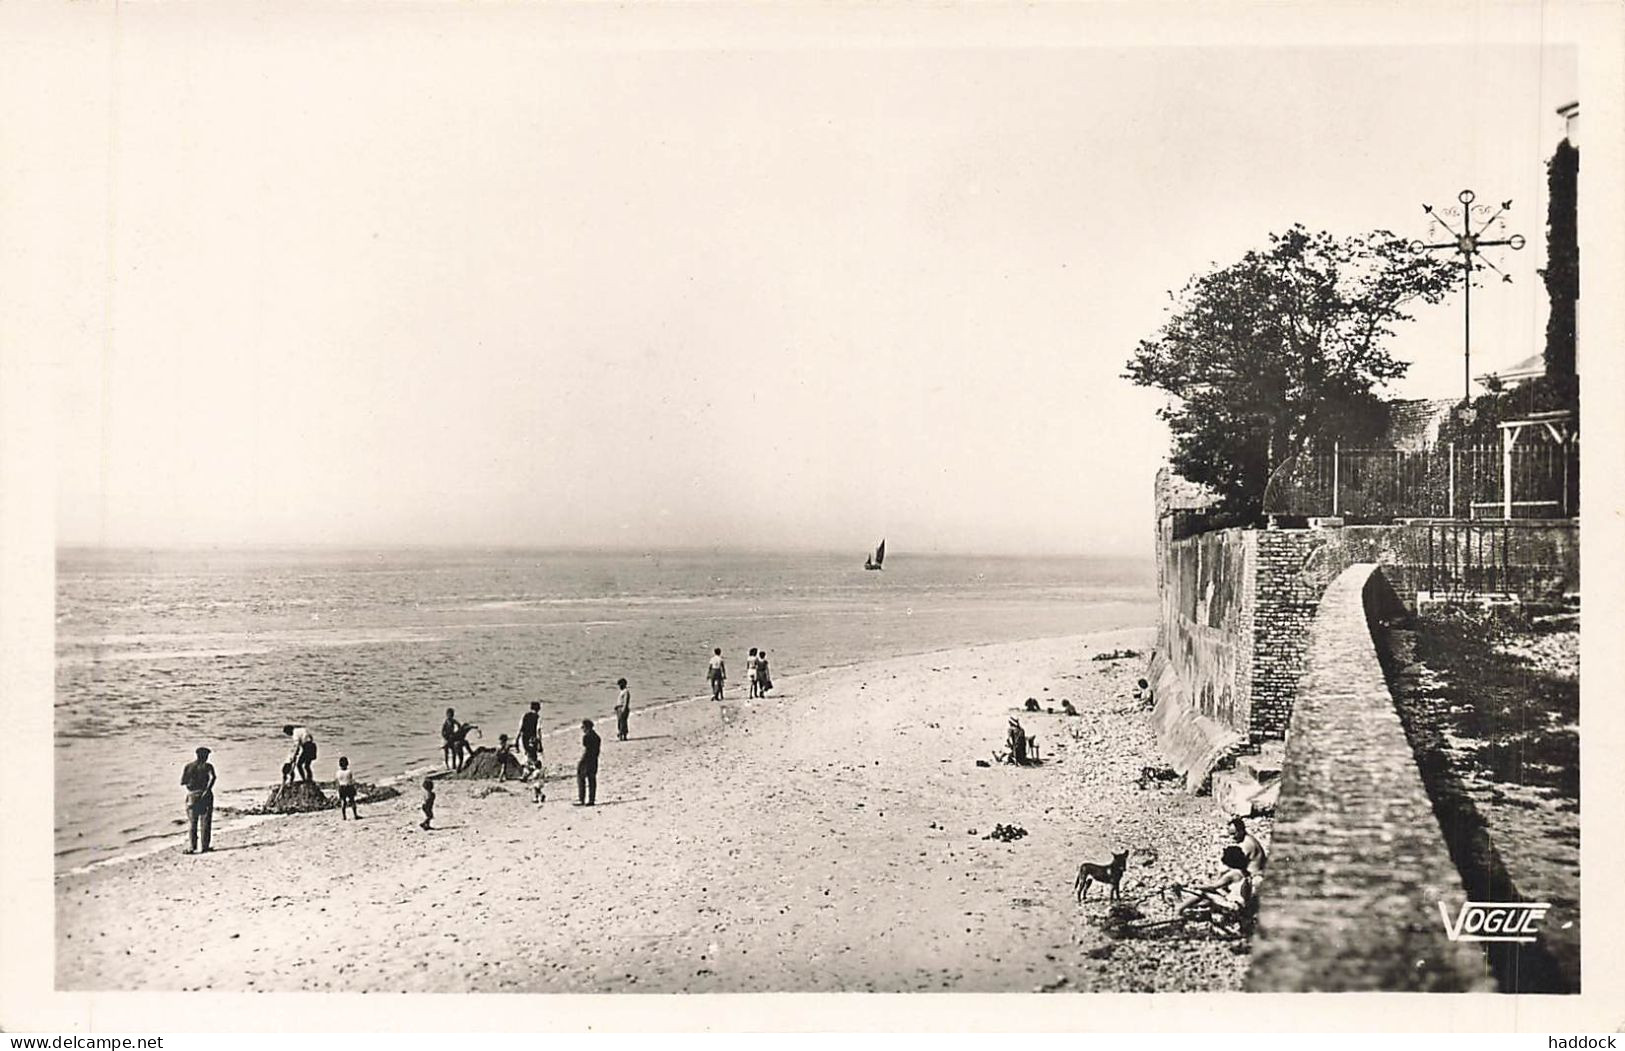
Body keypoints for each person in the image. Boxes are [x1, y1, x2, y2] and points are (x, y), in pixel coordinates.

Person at [1174, 845, 1254, 916]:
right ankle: (1195, 906)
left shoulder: (1232, 874)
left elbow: (1213, 887)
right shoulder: (1245, 872)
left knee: (1202, 892)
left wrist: (1196, 886)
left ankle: (1179, 909)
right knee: (1213, 893)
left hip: (1233, 905)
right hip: (1241, 904)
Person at [180, 746, 217, 854]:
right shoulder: (208, 766)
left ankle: (192, 847)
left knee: (192, 822)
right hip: (205, 794)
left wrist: (192, 786)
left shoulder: (189, 766)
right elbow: (213, 777)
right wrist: (207, 789)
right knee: (205, 822)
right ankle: (205, 846)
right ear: (205, 756)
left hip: (192, 795)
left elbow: (183, 782)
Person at [1230, 817, 1268, 881]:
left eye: (1234, 834)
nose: (1232, 837)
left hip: (1254, 878)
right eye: (1230, 834)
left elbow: (1237, 865)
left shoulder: (1247, 844)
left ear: (1241, 831)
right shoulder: (1248, 839)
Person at [576, 718, 601, 806]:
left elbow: (586, 748)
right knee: (592, 780)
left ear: (586, 727)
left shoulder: (586, 737)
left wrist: (582, 761)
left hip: (587, 759)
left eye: (583, 727)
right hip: (594, 760)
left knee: (580, 778)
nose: (582, 729)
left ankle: (581, 798)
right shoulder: (597, 737)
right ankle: (591, 799)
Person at [518, 701, 541, 774]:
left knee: (527, 754)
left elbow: (520, 729)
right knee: (533, 756)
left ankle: (526, 771)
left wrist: (516, 740)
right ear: (539, 709)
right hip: (532, 739)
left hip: (524, 738)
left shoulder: (525, 716)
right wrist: (540, 744)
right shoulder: (537, 718)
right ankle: (530, 772)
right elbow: (538, 731)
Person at [335, 756, 359, 820]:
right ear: (347, 763)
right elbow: (351, 780)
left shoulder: (338, 772)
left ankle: (344, 816)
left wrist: (337, 790)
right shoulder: (349, 771)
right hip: (349, 786)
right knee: (352, 801)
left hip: (342, 787)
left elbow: (337, 782)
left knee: (343, 802)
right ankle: (355, 815)